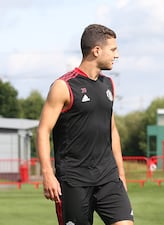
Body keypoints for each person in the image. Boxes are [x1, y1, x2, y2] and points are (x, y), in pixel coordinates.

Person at [36, 24, 134, 225]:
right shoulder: (63, 86)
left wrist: (121, 174)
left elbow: (112, 130)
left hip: (108, 177)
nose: (117, 55)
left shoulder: (109, 85)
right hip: (74, 180)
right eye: (113, 50)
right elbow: (43, 131)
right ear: (96, 51)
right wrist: (47, 174)